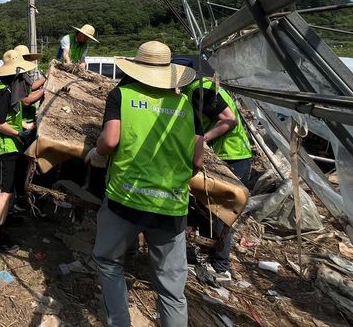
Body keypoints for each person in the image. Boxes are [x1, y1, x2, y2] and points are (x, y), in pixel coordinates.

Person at [90, 41, 204, 327]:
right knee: (171, 289)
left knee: (108, 261)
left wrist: (96, 151)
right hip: (171, 204)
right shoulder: (186, 105)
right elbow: (197, 162)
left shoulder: (122, 95)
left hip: (124, 199)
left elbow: (110, 140)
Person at [178, 62, 253, 283]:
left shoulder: (199, 90)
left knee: (221, 211)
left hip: (232, 155)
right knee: (202, 206)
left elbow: (229, 120)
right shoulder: (199, 87)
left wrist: (203, 141)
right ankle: (202, 255)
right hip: (227, 155)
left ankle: (221, 266)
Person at [0, 49, 37, 253]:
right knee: (4, 193)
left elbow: (9, 118)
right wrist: (18, 133)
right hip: (2, 149)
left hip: (9, 146)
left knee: (8, 190)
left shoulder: (10, 90)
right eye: (22, 74)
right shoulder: (3, 93)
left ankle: (3, 222)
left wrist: (24, 126)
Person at [12, 44, 46, 127]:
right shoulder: (15, 77)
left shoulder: (22, 74)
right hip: (22, 122)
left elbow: (30, 87)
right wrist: (44, 90)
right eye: (25, 58)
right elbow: (26, 101)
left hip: (28, 118)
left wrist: (45, 80)